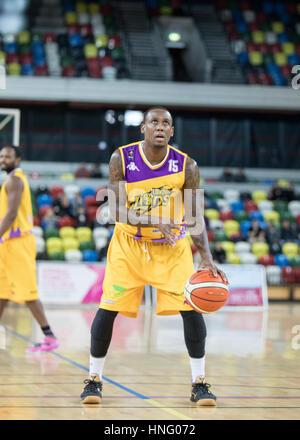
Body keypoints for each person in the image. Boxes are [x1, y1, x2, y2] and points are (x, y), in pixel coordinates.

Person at [80, 106, 228, 406]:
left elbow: (195, 215)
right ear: (143, 128)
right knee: (108, 310)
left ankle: (199, 383)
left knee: (191, 311)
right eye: (154, 122)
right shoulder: (121, 158)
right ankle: (93, 380)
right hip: (128, 246)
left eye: (166, 123)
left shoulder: (188, 166)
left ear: (171, 132)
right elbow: (115, 210)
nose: (160, 127)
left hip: (172, 249)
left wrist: (206, 258)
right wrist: (154, 221)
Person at [0, 145, 58, 352]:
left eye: (8, 156)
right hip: (8, 243)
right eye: (1, 156)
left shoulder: (14, 180)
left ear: (18, 160)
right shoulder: (13, 179)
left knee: (28, 292)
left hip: (18, 243)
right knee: (2, 291)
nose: (3, 159)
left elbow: (12, 214)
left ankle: (49, 337)